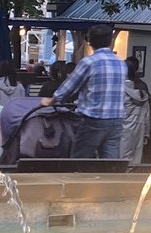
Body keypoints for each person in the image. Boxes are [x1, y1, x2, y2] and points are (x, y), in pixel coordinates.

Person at [39, 25, 126, 159]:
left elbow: (68, 87)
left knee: (80, 160)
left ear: (89, 42)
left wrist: (51, 101)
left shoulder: (89, 62)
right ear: (110, 41)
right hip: (116, 120)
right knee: (110, 163)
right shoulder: (121, 63)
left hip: (93, 119)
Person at [121, 56, 151, 166]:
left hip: (123, 131)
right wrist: (146, 133)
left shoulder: (119, 91)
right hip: (139, 131)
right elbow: (147, 115)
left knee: (121, 162)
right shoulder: (142, 92)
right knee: (135, 162)